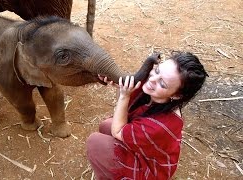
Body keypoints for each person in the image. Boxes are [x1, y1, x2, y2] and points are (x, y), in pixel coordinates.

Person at [86, 51, 208, 179]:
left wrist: (124, 95)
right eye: (157, 71)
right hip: (145, 149)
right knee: (106, 125)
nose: (152, 80)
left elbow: (118, 131)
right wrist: (118, 84)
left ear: (176, 95)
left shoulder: (159, 126)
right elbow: (126, 107)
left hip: (149, 169)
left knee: (95, 143)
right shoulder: (153, 90)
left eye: (162, 83)